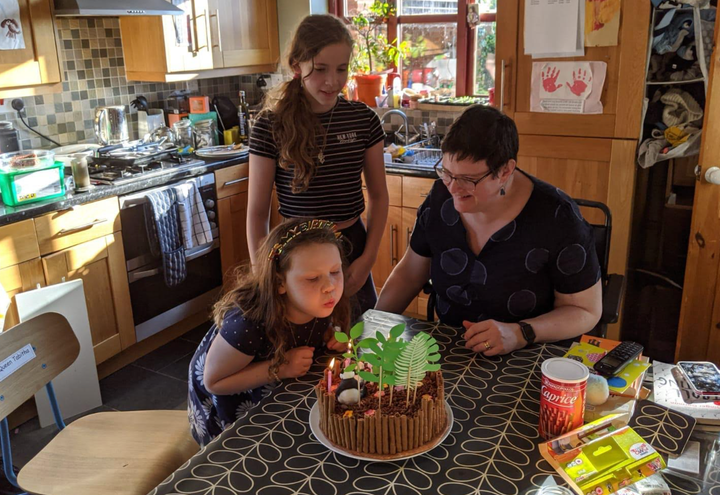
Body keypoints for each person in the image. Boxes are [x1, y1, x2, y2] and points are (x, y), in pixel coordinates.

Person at [376, 105, 602, 355]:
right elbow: (409, 274)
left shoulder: (557, 217)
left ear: (505, 171)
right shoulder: (441, 197)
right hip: (450, 348)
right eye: (447, 173)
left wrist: (520, 333)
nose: (453, 188)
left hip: (527, 353)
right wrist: (372, 326)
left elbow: (585, 311)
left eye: (469, 180)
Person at [247, 14, 388, 316]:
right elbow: (257, 212)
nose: (333, 81)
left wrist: (367, 260)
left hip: (351, 247)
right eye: (320, 69)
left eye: (342, 69)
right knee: (301, 351)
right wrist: (264, 276)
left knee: (360, 345)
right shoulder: (269, 126)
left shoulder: (364, 120)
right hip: (295, 252)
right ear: (297, 66)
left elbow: (378, 195)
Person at [187, 219, 350, 446]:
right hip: (229, 412)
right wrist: (280, 368)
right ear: (279, 283)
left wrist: (331, 336)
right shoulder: (248, 325)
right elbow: (214, 382)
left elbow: (315, 330)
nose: (330, 285)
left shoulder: (316, 302)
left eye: (335, 271)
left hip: (274, 398)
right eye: (313, 278)